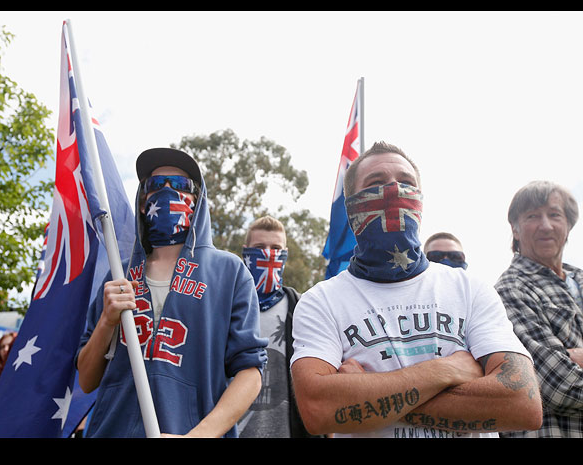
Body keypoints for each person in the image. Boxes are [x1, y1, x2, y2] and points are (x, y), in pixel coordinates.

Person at [290, 141, 542, 438]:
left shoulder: (470, 289)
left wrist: (364, 399)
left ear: (420, 200)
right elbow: (319, 409)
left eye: (406, 182)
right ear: (352, 206)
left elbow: (522, 403)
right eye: (376, 183)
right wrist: (447, 371)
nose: (395, 190)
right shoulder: (320, 301)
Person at [76, 147, 267, 438]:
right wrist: (106, 321)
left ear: (196, 200)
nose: (167, 193)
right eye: (155, 185)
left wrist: (198, 436)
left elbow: (250, 372)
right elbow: (88, 380)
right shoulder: (118, 273)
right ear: (143, 202)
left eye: (180, 186)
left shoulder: (230, 272)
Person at [495, 180, 583, 437]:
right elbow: (560, 386)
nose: (546, 225)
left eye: (555, 215)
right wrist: (565, 362)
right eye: (533, 216)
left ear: (568, 226)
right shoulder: (510, 289)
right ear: (515, 229)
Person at [238, 216, 316, 438]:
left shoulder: (301, 309)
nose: (268, 254)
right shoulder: (226, 307)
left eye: (276, 248)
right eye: (259, 247)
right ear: (246, 252)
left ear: (285, 255)